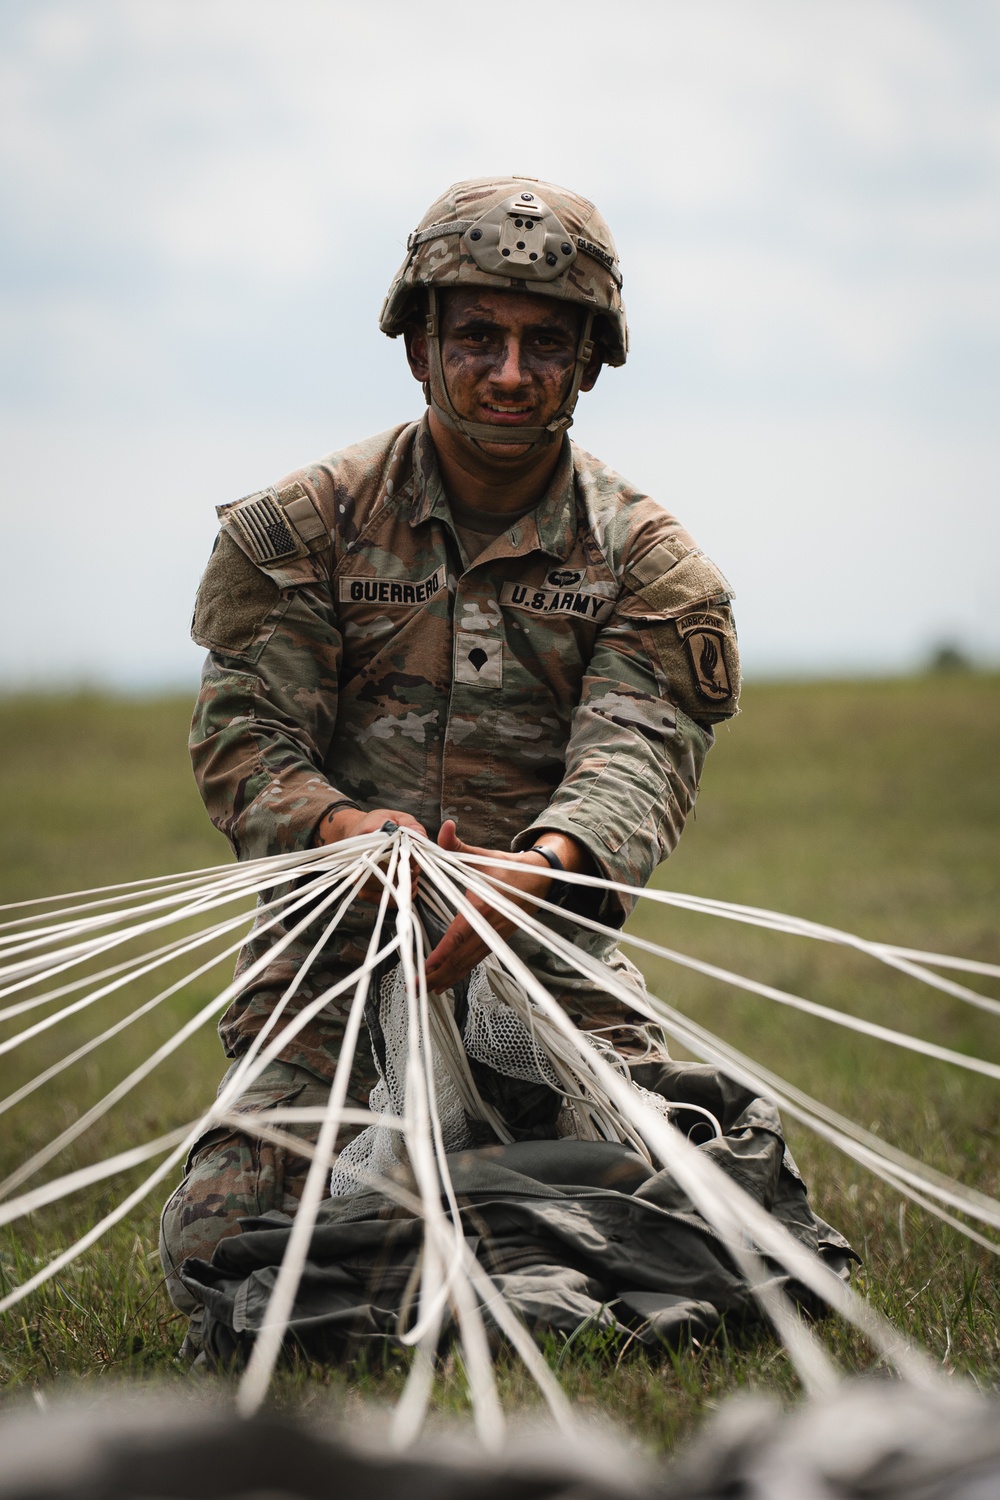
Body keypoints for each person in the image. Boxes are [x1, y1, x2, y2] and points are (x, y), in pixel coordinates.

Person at [159, 176, 741, 1349]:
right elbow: (245, 736)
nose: (510, 374)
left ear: (589, 361)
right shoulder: (302, 530)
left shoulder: (651, 561)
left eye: (544, 343)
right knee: (218, 1254)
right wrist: (343, 833)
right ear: (419, 348)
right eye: (477, 337)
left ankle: (514, 1214)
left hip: (541, 967)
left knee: (703, 1228)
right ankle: (474, 1245)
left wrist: (546, 866)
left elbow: (637, 754)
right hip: (330, 969)